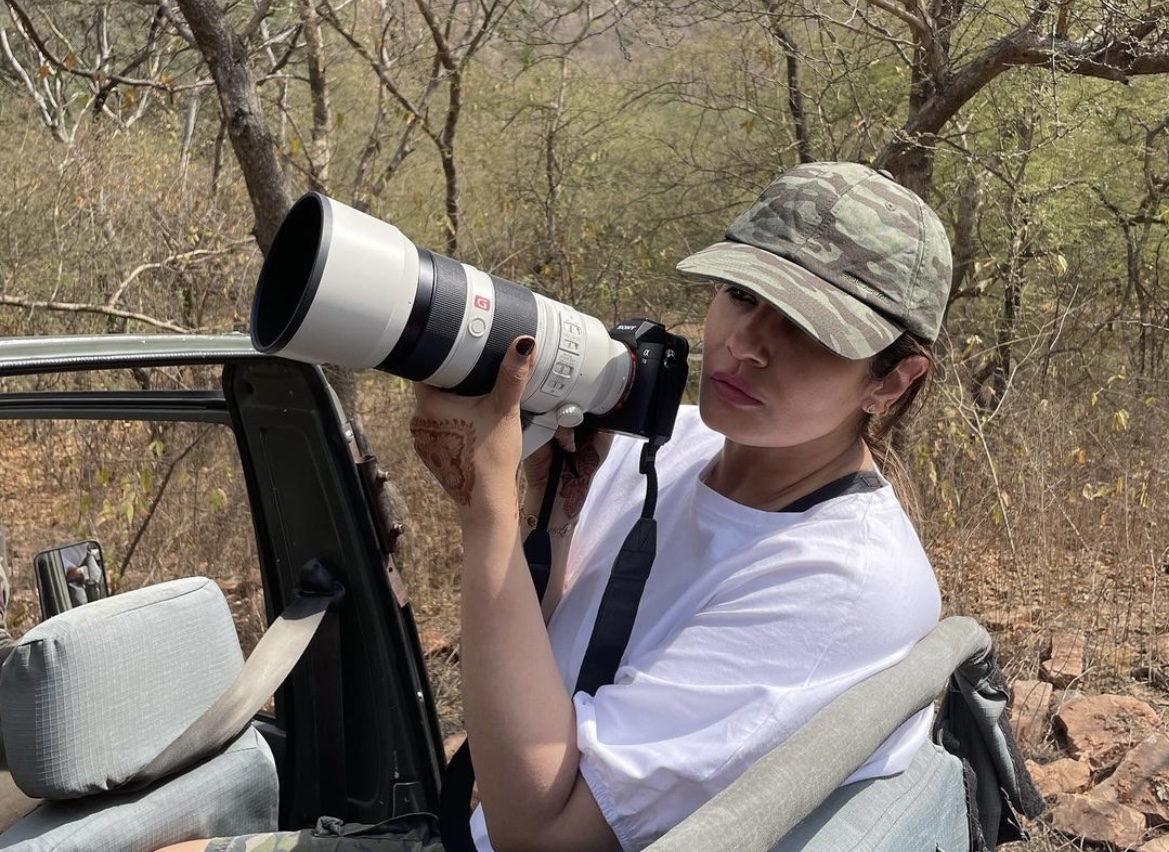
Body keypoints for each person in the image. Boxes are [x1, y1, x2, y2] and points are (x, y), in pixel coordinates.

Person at [158, 160, 953, 852]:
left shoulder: (839, 582)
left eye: (809, 331)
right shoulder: (669, 444)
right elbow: (548, 664)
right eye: (741, 295)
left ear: (892, 381)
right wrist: (547, 518)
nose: (746, 343)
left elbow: (544, 836)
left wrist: (489, 521)